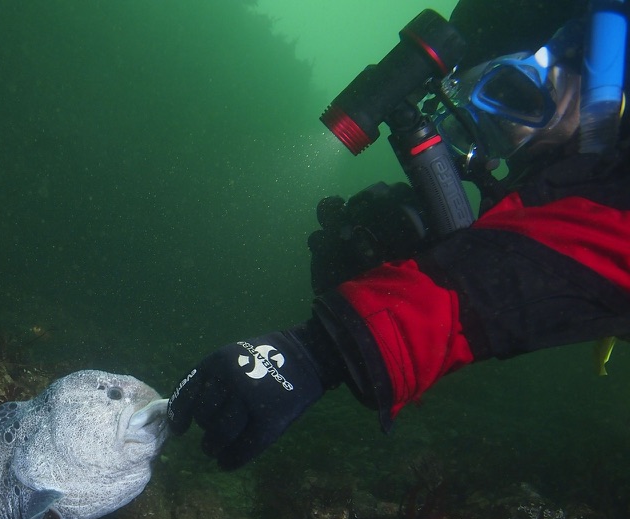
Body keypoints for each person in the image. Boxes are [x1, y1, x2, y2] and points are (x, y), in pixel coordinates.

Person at [167, 0, 630, 469]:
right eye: (471, 109)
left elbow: (580, 246)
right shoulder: (563, 165)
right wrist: (396, 278)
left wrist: (323, 349)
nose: (505, 138)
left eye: (514, 93)